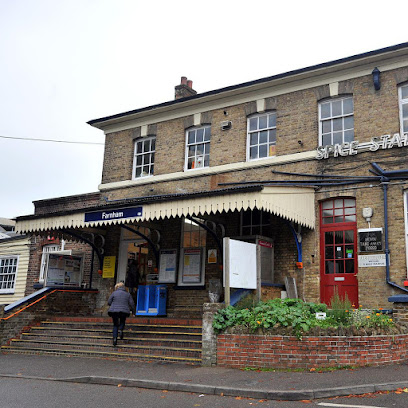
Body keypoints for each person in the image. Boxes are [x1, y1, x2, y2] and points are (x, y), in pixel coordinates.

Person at [107, 282, 135, 346]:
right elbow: (132, 304)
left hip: (114, 311)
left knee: (115, 324)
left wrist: (113, 305)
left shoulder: (114, 293)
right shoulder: (127, 294)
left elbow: (109, 302)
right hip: (124, 311)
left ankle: (115, 339)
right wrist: (133, 312)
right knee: (122, 321)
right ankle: (121, 330)